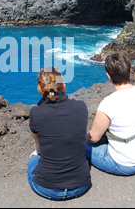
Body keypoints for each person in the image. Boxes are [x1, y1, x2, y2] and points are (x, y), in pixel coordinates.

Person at [28, 67, 91, 201]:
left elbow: (38, 143)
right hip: (81, 185)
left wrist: (37, 152)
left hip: (47, 189)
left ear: (41, 90)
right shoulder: (81, 107)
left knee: (33, 160)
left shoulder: (36, 113)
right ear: (63, 86)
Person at [86, 53, 135, 176]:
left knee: (79, 144)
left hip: (124, 164)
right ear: (129, 71)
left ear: (108, 76)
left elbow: (93, 138)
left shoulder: (108, 103)